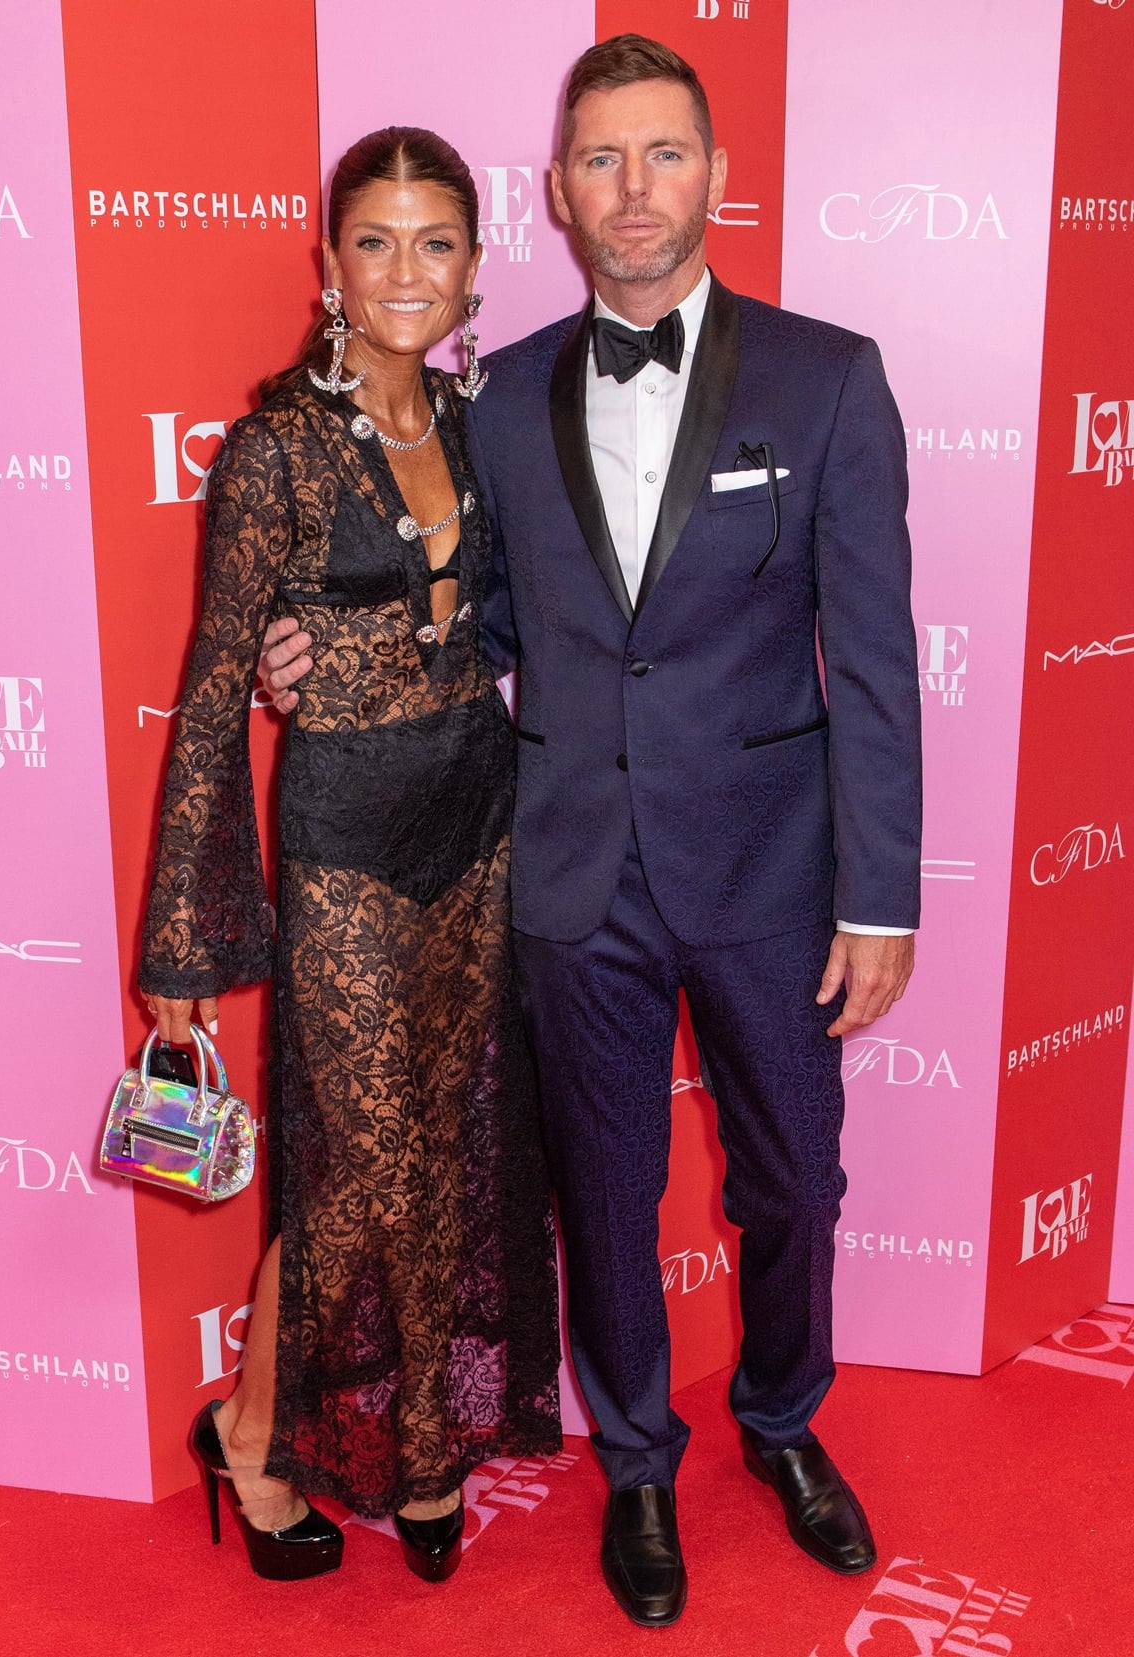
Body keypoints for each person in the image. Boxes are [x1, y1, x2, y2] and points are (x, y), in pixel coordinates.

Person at [262, 35, 921, 1628]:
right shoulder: (500, 408)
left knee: (794, 1182)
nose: (635, 190)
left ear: (715, 172)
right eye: (602, 161)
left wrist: (883, 900)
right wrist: (316, 653)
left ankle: (780, 1417)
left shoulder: (831, 377)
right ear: (555, 193)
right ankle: (637, 1456)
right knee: (606, 1192)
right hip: (568, 880)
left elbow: (880, 655)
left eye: (664, 154)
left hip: (771, 875)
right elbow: (463, 621)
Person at [139, 126, 561, 1586]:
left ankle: (431, 1446)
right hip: (345, 836)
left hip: (477, 816)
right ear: (328, 264)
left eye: (433, 243)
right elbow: (208, 685)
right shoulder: (274, 448)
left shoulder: (480, 419)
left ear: (472, 272)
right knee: (360, 1173)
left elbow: (506, 615)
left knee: (444, 1146)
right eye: (373, 242)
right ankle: (250, 1438)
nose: (403, 272)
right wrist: (182, 947)